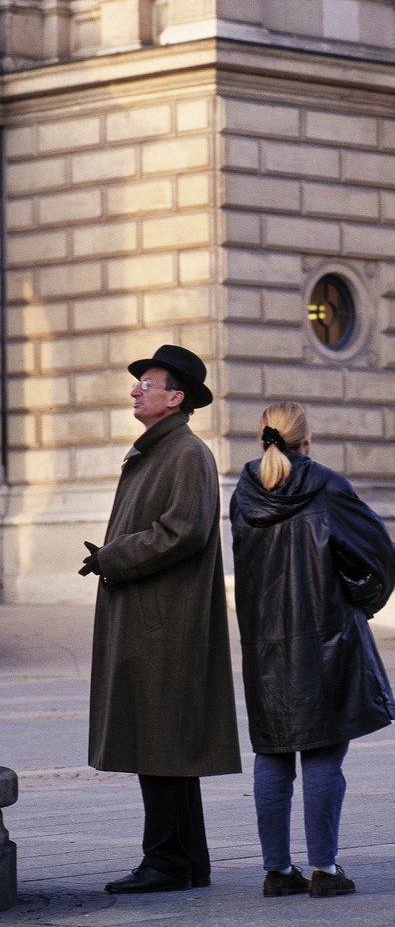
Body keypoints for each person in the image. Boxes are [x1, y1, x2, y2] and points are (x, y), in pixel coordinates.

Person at [79, 344, 241, 893]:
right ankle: (187, 861)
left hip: (164, 625)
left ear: (175, 398)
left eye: (145, 384)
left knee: (160, 743)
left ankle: (167, 862)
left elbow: (183, 530)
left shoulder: (184, 453)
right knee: (162, 744)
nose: (134, 391)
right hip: (156, 619)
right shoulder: (160, 450)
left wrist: (113, 558)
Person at [230, 401, 395, 899]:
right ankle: (324, 869)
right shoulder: (326, 485)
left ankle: (277, 871)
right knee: (324, 754)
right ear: (306, 440)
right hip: (326, 640)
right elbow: (380, 552)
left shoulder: (243, 492)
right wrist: (363, 601)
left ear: (262, 438)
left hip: (265, 646)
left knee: (273, 754)